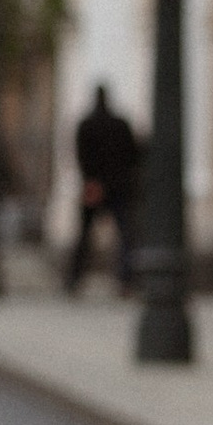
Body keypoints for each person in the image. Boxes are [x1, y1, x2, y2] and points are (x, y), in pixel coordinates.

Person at [65, 84, 141, 294]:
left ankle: (74, 279)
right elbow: (133, 155)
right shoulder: (120, 124)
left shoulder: (86, 124)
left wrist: (91, 179)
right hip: (117, 186)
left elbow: (82, 157)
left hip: (94, 185)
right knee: (124, 235)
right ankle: (125, 279)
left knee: (85, 236)